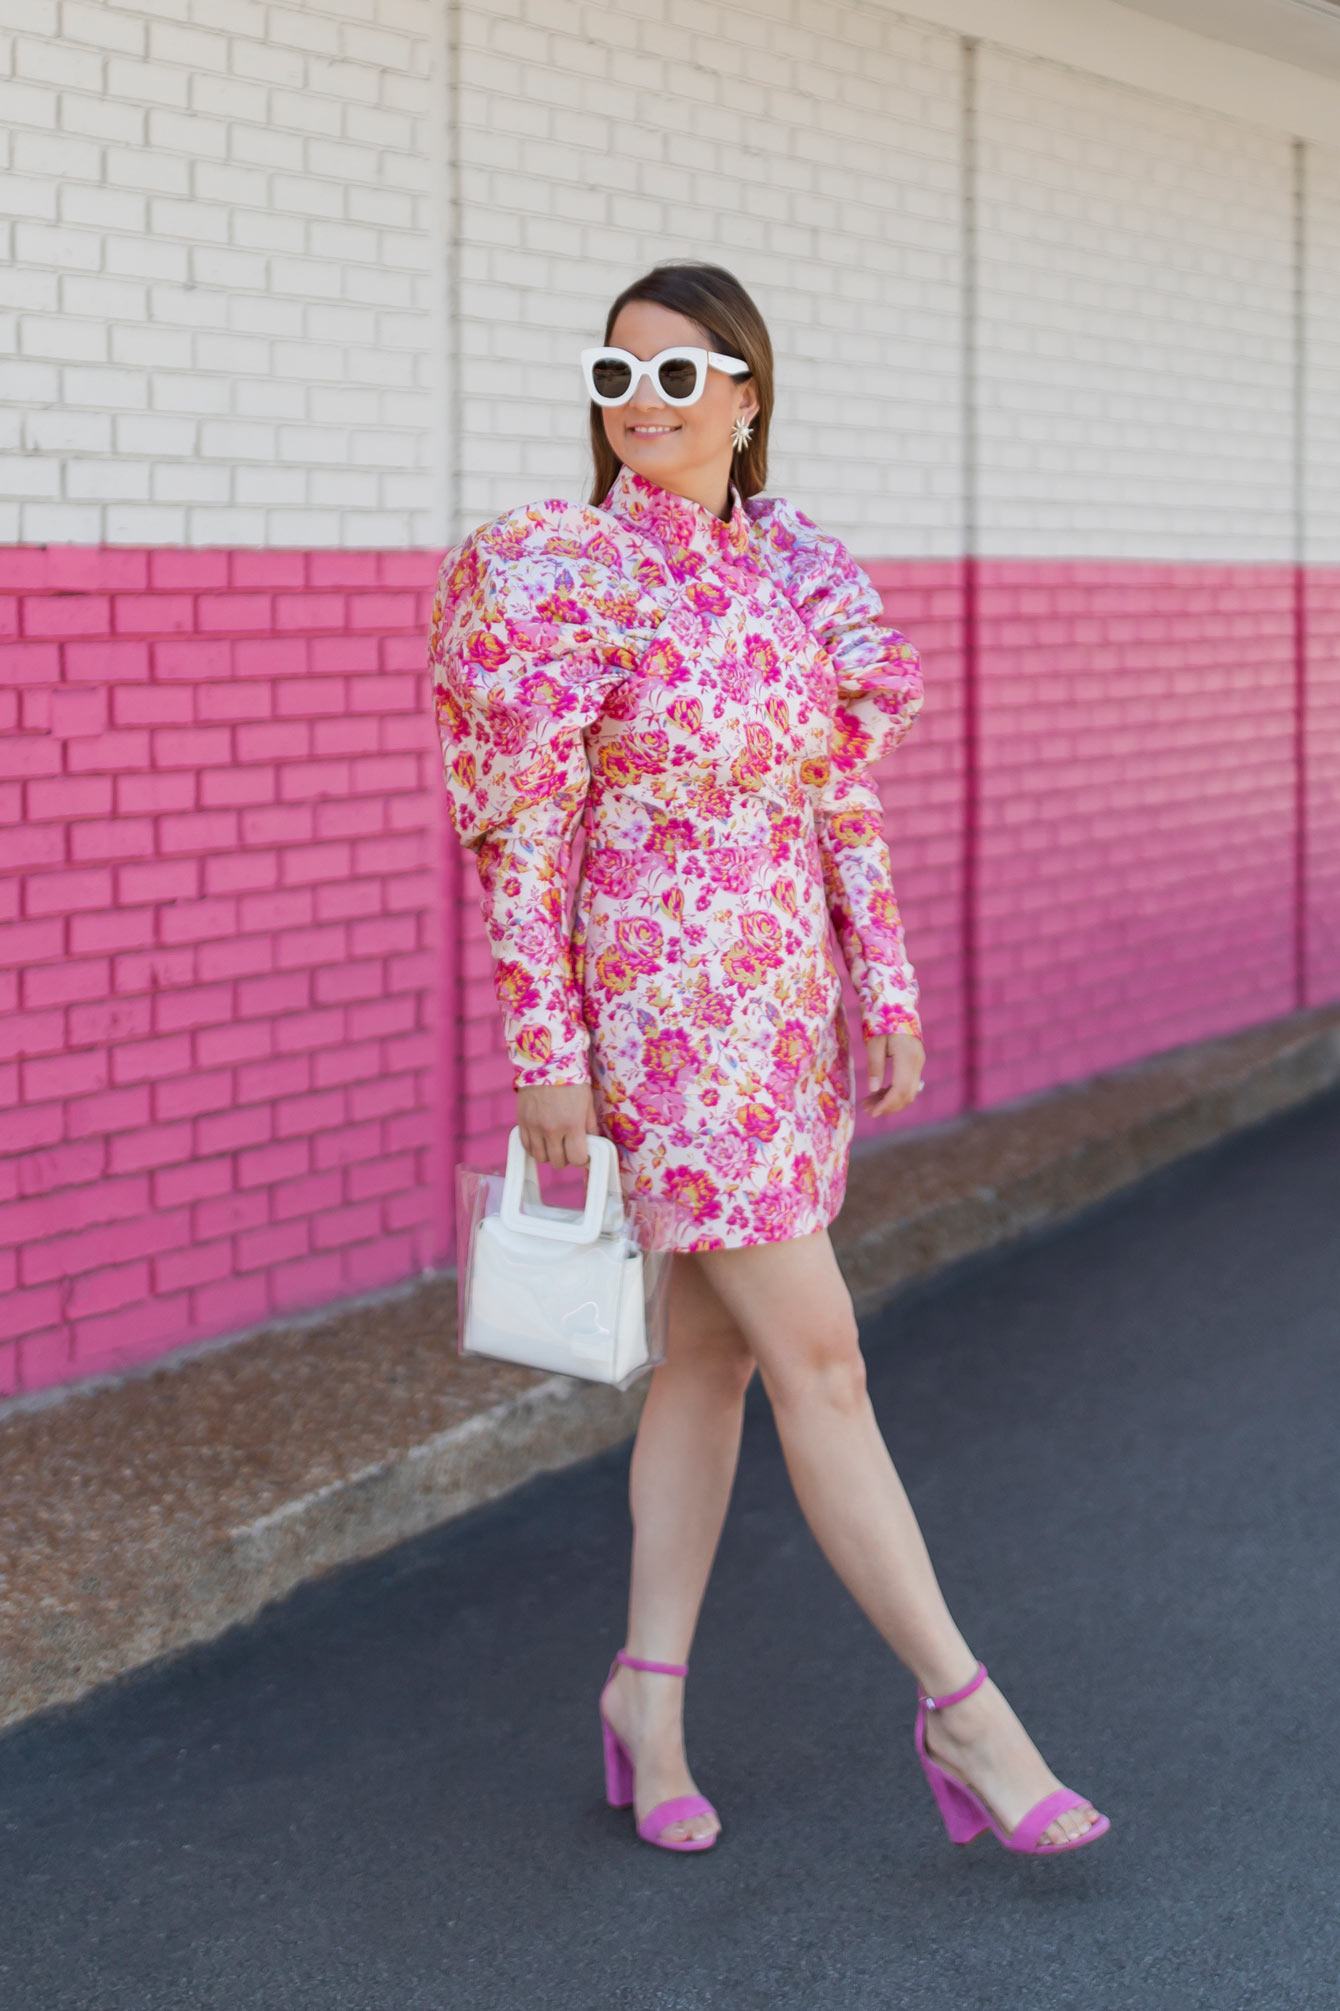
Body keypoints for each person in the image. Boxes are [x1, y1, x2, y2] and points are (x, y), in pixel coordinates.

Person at [430, 262, 1108, 1859]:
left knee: (714, 1359)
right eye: (618, 376)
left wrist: (887, 982)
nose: (644, 407)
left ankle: (644, 1699)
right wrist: (547, 1049)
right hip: (662, 1019)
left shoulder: (797, 565)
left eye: (681, 376)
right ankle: (968, 1717)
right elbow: (529, 838)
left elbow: (835, 801)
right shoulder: (567, 570)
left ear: (748, 393)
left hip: (784, 1012)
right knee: (826, 1358)